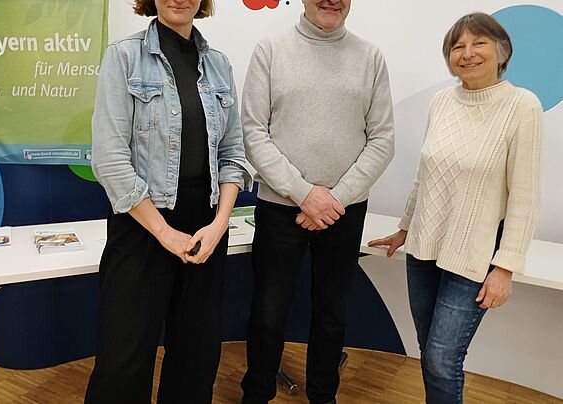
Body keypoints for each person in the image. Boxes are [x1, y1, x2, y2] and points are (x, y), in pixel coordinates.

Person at [368, 12, 542, 404]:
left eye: (478, 43)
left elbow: (525, 196)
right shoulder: (443, 100)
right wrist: (405, 227)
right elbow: (425, 176)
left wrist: (505, 267)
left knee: (443, 357)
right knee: (430, 353)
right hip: (425, 246)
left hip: (475, 254)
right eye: (457, 46)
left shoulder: (521, 106)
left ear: (502, 51)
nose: (467, 53)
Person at [85, 0, 250, 403]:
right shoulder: (124, 57)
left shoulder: (219, 65)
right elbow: (109, 159)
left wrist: (218, 224)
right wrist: (164, 232)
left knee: (197, 357)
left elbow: (233, 154)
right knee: (123, 360)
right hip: (142, 224)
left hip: (205, 226)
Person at [241, 1, 395, 402]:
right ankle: (257, 393)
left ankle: (323, 394)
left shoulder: (370, 57)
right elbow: (254, 133)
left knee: (332, 312)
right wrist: (304, 194)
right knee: (268, 312)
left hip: (344, 211)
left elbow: (382, 140)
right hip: (280, 207)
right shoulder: (270, 50)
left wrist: (333, 199)